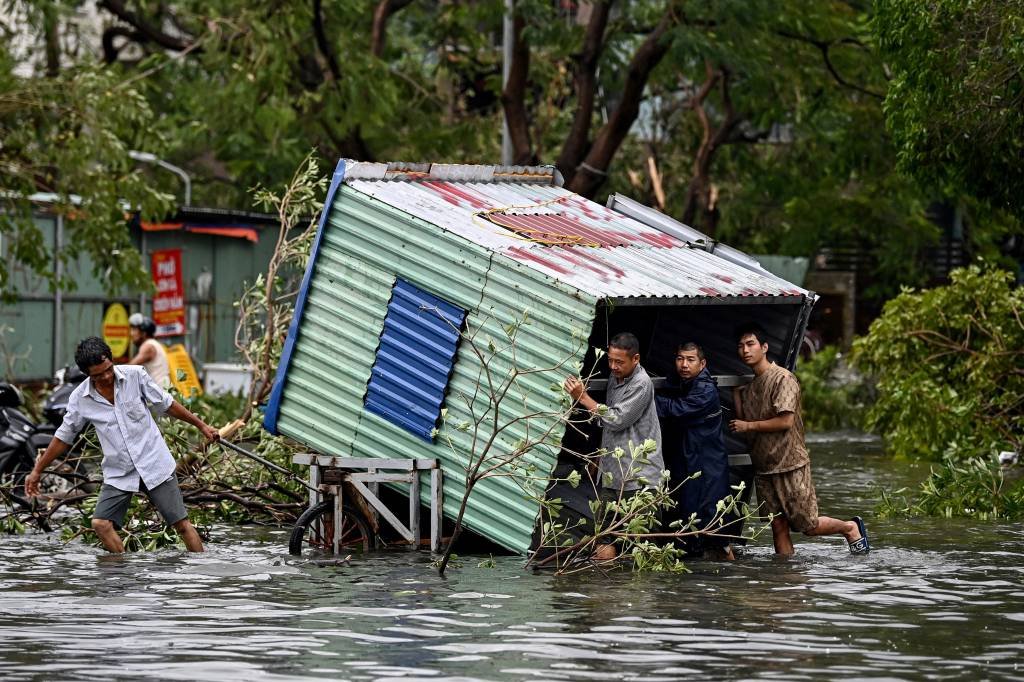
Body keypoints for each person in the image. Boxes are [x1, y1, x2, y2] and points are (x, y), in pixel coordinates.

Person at [26, 336, 220, 553]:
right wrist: (37, 471)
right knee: (100, 524)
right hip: (119, 471)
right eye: (99, 375)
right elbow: (63, 437)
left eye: (109, 369)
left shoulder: (135, 376)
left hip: (153, 462)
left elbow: (167, 404)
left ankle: (200, 575)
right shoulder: (80, 398)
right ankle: (124, 577)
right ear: (88, 374)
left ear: (111, 359)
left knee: (181, 525)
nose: (107, 376)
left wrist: (202, 427)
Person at [730, 324, 869, 556]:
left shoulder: (783, 378)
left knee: (808, 526)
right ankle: (786, 579)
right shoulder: (751, 386)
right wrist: (737, 395)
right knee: (777, 526)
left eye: (750, 344)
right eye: (741, 346)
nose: (745, 350)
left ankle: (849, 527)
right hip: (764, 467)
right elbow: (744, 425)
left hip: (790, 463)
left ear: (764, 347)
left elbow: (785, 421)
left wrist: (748, 425)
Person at [563, 332, 665, 560]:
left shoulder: (641, 383)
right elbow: (608, 426)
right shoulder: (614, 378)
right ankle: (607, 594)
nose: (613, 366)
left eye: (619, 362)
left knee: (644, 547)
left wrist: (583, 397)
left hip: (641, 479)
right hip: (612, 475)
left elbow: (616, 419)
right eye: (610, 360)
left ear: (636, 359)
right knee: (604, 537)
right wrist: (600, 455)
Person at [656, 342, 736, 561]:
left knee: (713, 523)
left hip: (707, 465)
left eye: (690, 360)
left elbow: (677, 410)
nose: (684, 364)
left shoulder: (704, 389)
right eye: (680, 359)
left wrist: (646, 399)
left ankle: (728, 569)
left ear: (702, 364)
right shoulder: (684, 382)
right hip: (692, 462)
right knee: (691, 516)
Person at [128, 313, 170, 387]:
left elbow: (130, 367)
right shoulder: (153, 344)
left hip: (158, 393)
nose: (131, 333)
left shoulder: (148, 346)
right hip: (159, 391)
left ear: (143, 333)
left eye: (134, 330)